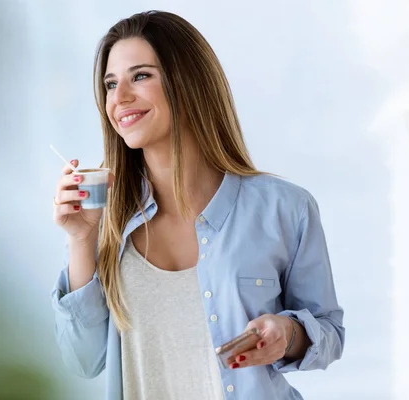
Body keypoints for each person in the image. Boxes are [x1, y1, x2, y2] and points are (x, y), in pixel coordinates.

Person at [50, 10, 344, 400]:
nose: (119, 98)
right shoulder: (107, 220)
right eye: (110, 83)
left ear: (187, 82)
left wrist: (287, 334)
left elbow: (329, 333)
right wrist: (80, 240)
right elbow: (83, 360)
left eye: (140, 76)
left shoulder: (285, 209)